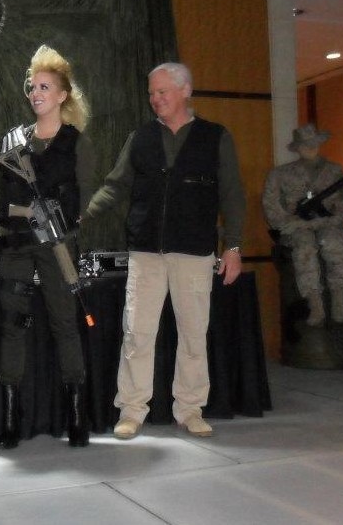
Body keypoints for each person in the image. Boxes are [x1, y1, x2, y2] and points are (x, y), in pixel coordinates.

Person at [82, 62, 245, 440]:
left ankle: (190, 409)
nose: (155, 99)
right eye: (151, 93)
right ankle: (131, 410)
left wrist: (234, 246)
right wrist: (82, 214)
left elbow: (233, 194)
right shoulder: (139, 138)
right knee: (136, 333)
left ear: (185, 90)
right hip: (146, 253)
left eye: (162, 92)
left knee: (193, 335)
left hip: (195, 252)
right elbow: (115, 186)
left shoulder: (215, 136)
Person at [0, 45, 95, 449]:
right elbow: (5, 200)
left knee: (65, 324)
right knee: (13, 325)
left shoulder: (75, 143)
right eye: (32, 87)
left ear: (62, 95)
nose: (35, 94)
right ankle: (10, 420)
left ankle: (76, 417)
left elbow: (82, 200)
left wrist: (59, 221)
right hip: (18, 243)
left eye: (44, 87)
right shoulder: (14, 141)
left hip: (57, 243)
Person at [262, 123, 343, 326]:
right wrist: (288, 222)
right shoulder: (281, 174)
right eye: (305, 144)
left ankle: (339, 303)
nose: (311, 147)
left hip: (327, 222)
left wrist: (332, 220)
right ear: (297, 148)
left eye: (314, 143)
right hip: (296, 226)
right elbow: (271, 203)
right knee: (304, 248)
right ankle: (315, 305)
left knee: (333, 243)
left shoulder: (334, 171)